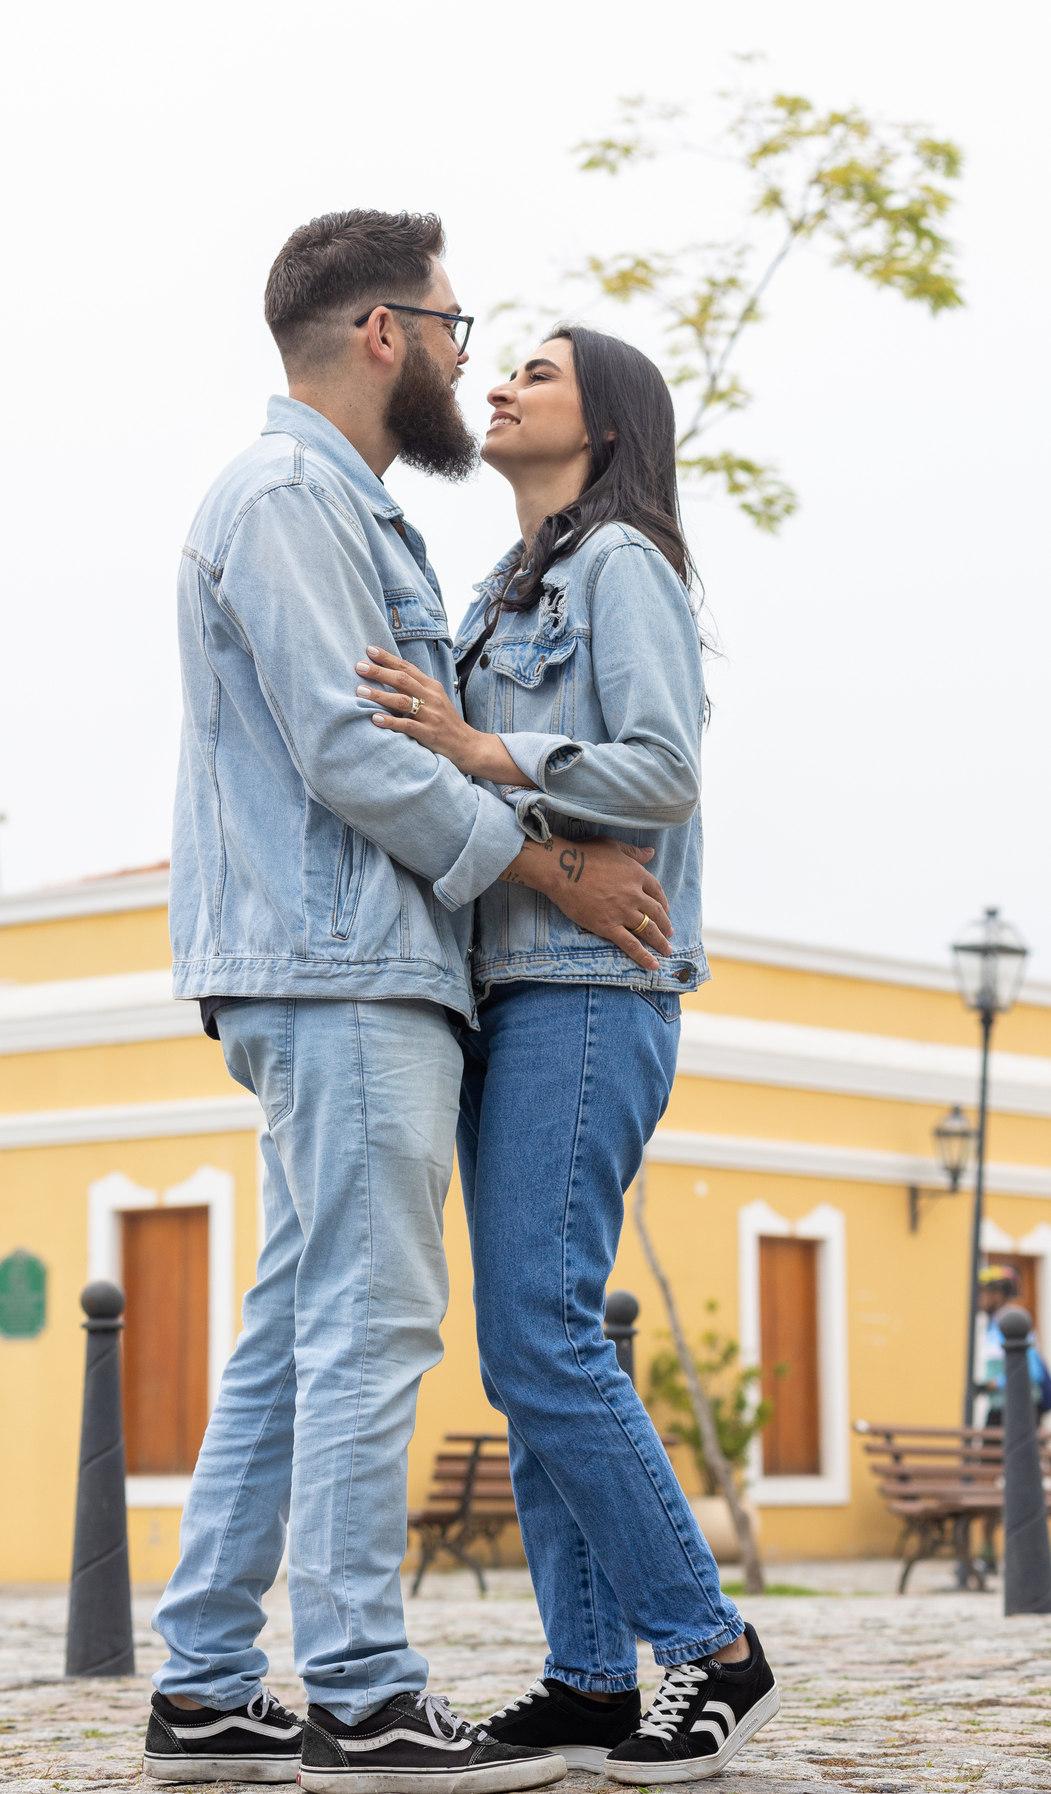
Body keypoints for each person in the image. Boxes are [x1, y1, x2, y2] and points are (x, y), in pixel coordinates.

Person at [145, 216, 672, 1791]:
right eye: (456, 325)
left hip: (332, 966)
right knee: (371, 1331)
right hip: (348, 966)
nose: (466, 358)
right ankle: (364, 1693)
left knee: (294, 1330)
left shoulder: (332, 504)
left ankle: (207, 1680)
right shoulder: (293, 497)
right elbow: (350, 751)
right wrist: (551, 867)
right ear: (385, 330)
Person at [355, 324, 779, 1783]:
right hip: (510, 992)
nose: (500, 384)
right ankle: (591, 1681)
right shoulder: (502, 591)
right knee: (530, 1347)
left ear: (605, 423)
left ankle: (714, 1648)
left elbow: (662, 772)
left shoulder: (621, 567)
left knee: (539, 1331)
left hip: (590, 989)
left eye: (537, 371)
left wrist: (483, 750)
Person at [976, 1266, 1051, 1429]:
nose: (977, 1298)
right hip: (1000, 1406)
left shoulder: (1014, 1322)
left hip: (1020, 1408)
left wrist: (994, 1384)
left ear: (997, 1294)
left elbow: (1032, 1372)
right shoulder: (991, 1325)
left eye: (982, 1292)